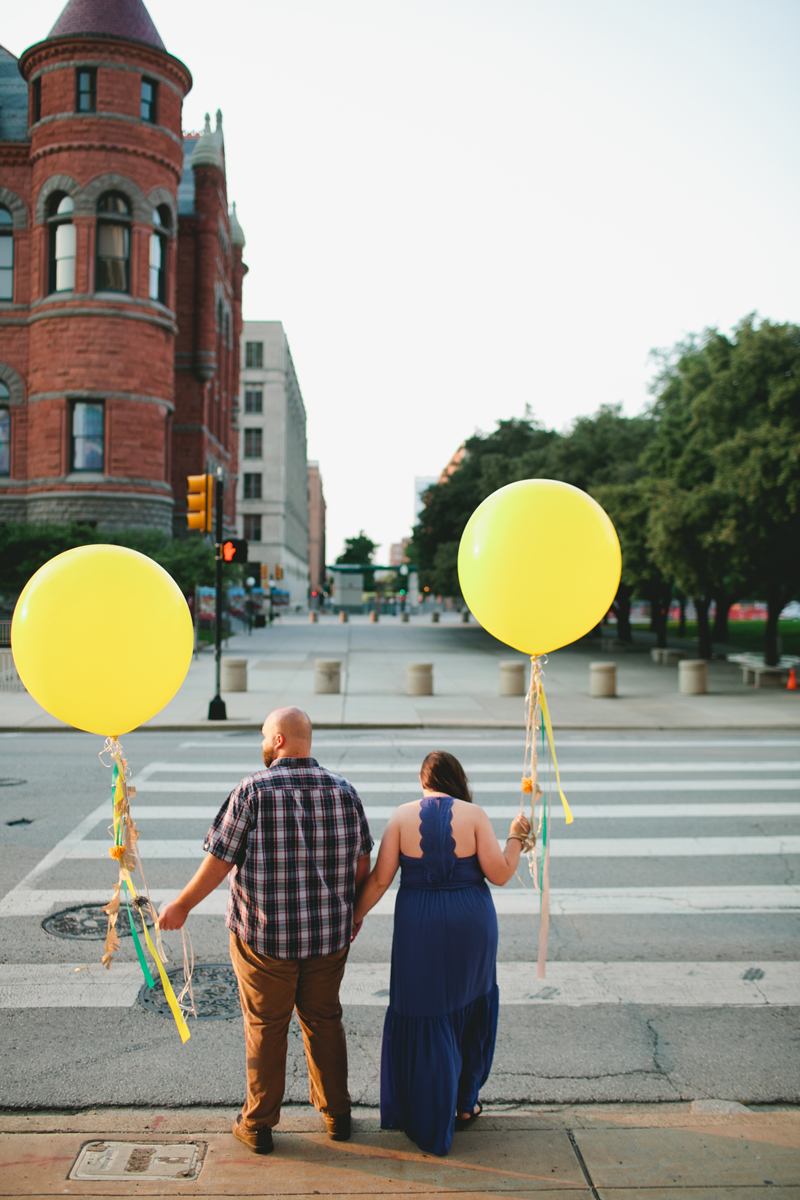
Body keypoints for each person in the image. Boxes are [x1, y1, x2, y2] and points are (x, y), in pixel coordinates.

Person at [159, 706, 373, 1156]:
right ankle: (337, 1115)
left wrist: (181, 904)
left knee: (265, 1026)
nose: (261, 741)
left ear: (278, 740)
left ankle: (257, 1125)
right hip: (328, 938)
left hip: (265, 939)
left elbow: (219, 862)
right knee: (324, 1021)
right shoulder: (345, 791)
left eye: (262, 734)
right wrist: (349, 914)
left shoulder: (253, 790)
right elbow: (361, 863)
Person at [352, 749, 531, 1157]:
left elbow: (380, 881)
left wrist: (354, 920)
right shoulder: (475, 814)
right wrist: (516, 838)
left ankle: (428, 1115)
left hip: (420, 925)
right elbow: (501, 874)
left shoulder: (400, 816)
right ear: (457, 781)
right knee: (472, 1008)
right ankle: (465, 1105)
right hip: (472, 922)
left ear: (423, 783)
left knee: (424, 1012)